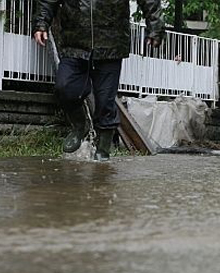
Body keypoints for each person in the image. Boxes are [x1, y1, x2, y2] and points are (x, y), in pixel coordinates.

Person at [33, 0, 164, 161]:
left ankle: (103, 149)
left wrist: (155, 27)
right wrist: (41, 23)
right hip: (75, 40)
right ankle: (79, 125)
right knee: (65, 87)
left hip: (111, 41)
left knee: (105, 101)